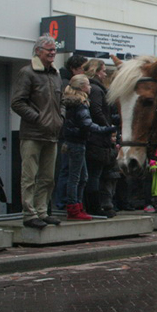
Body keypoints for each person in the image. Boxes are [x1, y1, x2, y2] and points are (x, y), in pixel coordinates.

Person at [11, 35, 64, 229]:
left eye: (54, 50)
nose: (52, 53)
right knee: (29, 176)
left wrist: (60, 117)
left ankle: (42, 211)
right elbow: (17, 102)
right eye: (48, 50)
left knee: (48, 177)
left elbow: (62, 101)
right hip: (32, 134)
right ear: (37, 51)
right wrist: (38, 118)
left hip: (52, 134)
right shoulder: (27, 73)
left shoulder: (55, 75)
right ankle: (29, 214)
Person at [62, 75, 117, 221]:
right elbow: (87, 124)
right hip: (77, 142)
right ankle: (74, 208)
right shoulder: (81, 103)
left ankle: (77, 205)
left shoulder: (72, 102)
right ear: (81, 87)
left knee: (82, 176)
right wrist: (106, 129)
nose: (90, 87)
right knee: (76, 177)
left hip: (75, 141)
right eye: (87, 85)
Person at [83, 59, 118, 218]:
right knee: (96, 174)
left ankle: (96, 205)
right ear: (97, 71)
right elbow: (97, 111)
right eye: (103, 71)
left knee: (97, 174)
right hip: (98, 139)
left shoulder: (97, 89)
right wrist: (108, 128)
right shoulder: (97, 90)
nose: (105, 74)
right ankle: (95, 206)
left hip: (98, 137)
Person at [54, 54, 89, 210]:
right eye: (83, 69)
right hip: (70, 136)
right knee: (71, 173)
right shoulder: (68, 87)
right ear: (74, 69)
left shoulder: (65, 83)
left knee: (70, 172)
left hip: (67, 134)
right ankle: (67, 203)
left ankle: (67, 202)